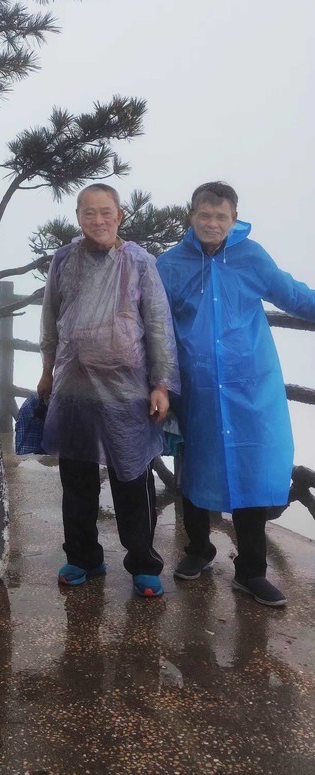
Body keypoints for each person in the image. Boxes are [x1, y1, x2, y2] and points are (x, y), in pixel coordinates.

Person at [157, 181, 315, 607]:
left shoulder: (251, 256)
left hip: (250, 386)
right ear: (191, 216)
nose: (212, 223)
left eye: (221, 217)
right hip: (196, 387)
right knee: (193, 467)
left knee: (251, 470)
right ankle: (198, 550)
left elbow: (293, 294)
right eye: (204, 215)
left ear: (234, 218)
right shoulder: (170, 264)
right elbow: (153, 324)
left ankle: (251, 572)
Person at [37, 184, 179, 597]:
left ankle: (143, 564)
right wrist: (47, 371)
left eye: (106, 213)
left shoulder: (138, 262)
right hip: (74, 387)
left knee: (132, 478)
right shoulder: (64, 260)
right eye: (89, 214)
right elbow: (50, 320)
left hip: (127, 391)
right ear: (77, 216)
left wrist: (162, 384)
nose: (98, 221)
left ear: (120, 216)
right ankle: (83, 557)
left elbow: (157, 325)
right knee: (77, 478)